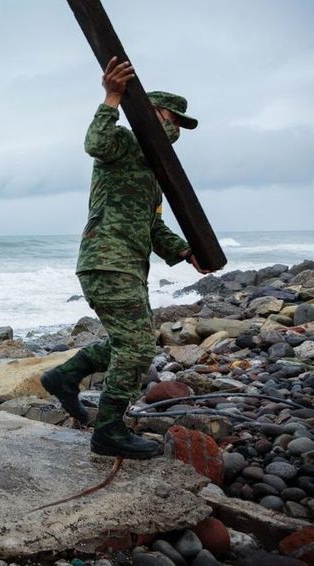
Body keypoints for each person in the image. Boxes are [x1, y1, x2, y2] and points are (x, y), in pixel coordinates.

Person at [41, 57, 212, 460]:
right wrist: (112, 97)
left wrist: (186, 252)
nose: (177, 131)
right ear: (151, 115)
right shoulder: (122, 144)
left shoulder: (152, 174)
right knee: (136, 348)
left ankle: (64, 377)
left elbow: (154, 228)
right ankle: (109, 432)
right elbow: (94, 143)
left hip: (129, 265)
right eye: (173, 120)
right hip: (106, 259)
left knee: (129, 341)